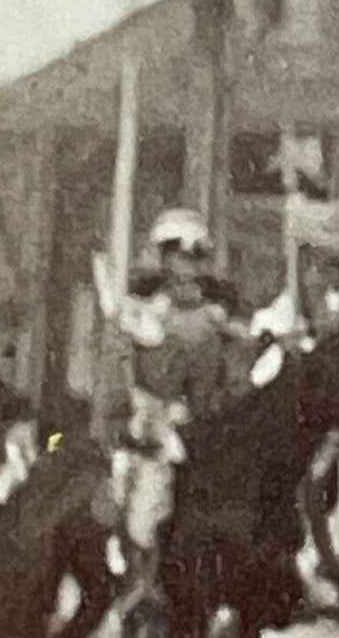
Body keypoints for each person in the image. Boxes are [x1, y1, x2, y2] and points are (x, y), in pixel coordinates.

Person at [92, 208, 250, 592]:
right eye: (180, 255)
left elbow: (221, 381)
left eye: (197, 257)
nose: (188, 267)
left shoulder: (214, 316)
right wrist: (127, 420)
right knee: (141, 491)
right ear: (164, 258)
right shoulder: (143, 312)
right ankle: (134, 571)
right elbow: (118, 372)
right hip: (146, 416)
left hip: (196, 419)